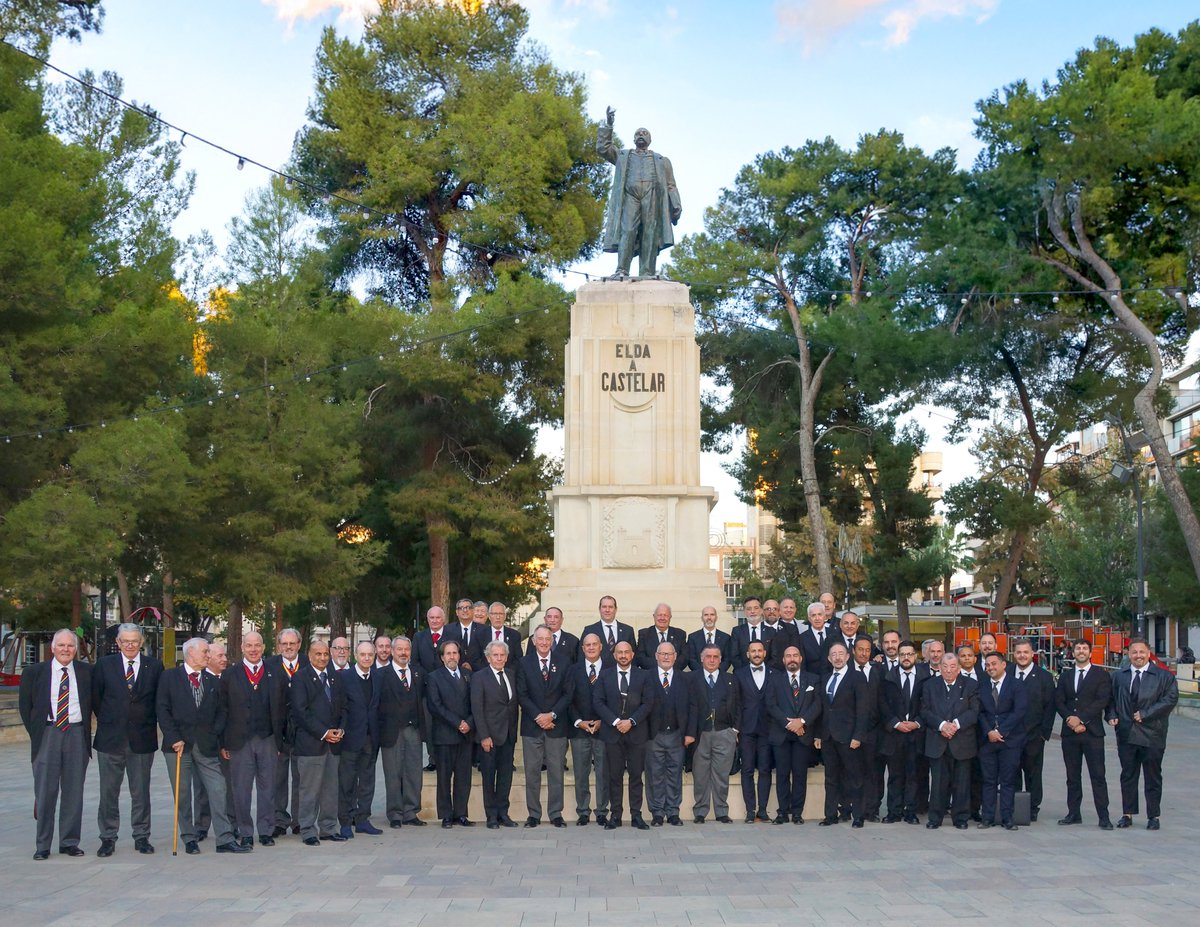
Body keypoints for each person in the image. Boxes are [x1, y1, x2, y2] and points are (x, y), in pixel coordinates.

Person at [157, 637, 246, 854]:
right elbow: (162, 709)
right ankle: (189, 837)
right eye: (205, 651)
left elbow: (222, 711)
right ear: (190, 653)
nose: (209, 655)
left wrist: (214, 732)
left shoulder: (213, 681)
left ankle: (224, 838)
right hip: (178, 746)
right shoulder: (170, 677)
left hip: (206, 745)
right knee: (183, 793)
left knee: (218, 788)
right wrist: (173, 737)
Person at [19, 628, 93, 860]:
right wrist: (39, 733)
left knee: (74, 791)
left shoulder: (86, 672)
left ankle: (69, 842)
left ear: (76, 649)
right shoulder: (34, 672)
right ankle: (43, 845)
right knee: (45, 792)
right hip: (48, 733)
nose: (65, 649)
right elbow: (25, 708)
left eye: (70, 645)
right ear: (52, 648)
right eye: (61, 645)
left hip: (76, 733)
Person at [92, 622, 162, 857]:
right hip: (110, 739)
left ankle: (142, 836)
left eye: (135, 641)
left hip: (141, 739)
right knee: (108, 792)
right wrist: (112, 721)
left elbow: (158, 701)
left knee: (141, 791)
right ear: (118, 643)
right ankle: (108, 837)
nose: (130, 645)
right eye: (126, 641)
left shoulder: (155, 666)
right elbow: (97, 699)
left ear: (141, 643)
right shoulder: (104, 666)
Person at [596, 106, 681, 277]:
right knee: (627, 230)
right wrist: (609, 125)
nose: (641, 134)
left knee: (650, 232)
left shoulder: (662, 161)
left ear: (650, 139)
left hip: (652, 196)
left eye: (644, 133)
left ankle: (647, 271)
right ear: (634, 138)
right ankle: (621, 270)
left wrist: (676, 204)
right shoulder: (622, 156)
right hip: (630, 196)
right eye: (638, 133)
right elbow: (603, 149)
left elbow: (671, 184)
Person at [221, 630, 286, 848]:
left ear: (264, 647)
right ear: (242, 648)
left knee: (268, 787)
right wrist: (224, 742)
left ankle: (266, 830)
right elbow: (222, 710)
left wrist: (280, 740)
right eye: (249, 646)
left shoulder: (275, 673)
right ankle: (245, 831)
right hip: (239, 741)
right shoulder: (230, 674)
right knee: (241, 789)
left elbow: (282, 709)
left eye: (257, 645)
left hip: (267, 738)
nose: (253, 649)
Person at [1111, 639, 1179, 830]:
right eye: (1134, 652)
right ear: (1128, 654)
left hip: (1153, 734)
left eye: (1142, 652)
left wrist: (1146, 714)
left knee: (1153, 776)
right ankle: (1127, 813)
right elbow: (1110, 699)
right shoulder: (1119, 676)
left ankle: (1153, 816)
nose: (1138, 656)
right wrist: (1111, 715)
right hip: (1126, 734)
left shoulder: (1164, 677)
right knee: (1128, 775)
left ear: (1148, 653)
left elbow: (1170, 699)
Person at [291, 640, 347, 846]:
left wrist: (341, 729)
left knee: (330, 790)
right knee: (309, 790)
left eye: (325, 654)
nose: (323, 658)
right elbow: (300, 712)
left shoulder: (335, 677)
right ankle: (307, 829)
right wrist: (324, 733)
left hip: (334, 744)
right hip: (311, 744)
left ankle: (328, 828)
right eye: (318, 654)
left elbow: (344, 707)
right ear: (309, 654)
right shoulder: (300, 678)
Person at [1055, 639, 1114, 829]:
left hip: (1092, 733)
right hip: (1070, 733)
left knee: (1098, 775)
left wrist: (1080, 719)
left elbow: (1102, 700)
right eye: (1078, 648)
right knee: (1072, 776)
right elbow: (1059, 701)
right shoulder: (1065, 676)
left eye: (1084, 648)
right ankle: (1074, 813)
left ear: (1090, 652)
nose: (1081, 651)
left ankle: (1103, 817)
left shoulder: (1101, 675)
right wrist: (1070, 720)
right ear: (1073, 652)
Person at [595, 640, 654, 829]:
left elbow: (648, 703)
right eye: (619, 652)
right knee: (614, 776)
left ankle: (636, 815)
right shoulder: (604, 676)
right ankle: (616, 816)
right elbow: (598, 702)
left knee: (636, 776)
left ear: (632, 654)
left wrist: (631, 721)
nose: (623, 655)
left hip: (636, 733)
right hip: (612, 734)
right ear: (614, 655)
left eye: (626, 652)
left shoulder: (643, 676)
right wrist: (615, 722)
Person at [518, 625, 572, 827]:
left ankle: (555, 813)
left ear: (552, 641)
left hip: (556, 727)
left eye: (547, 639)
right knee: (532, 773)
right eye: (539, 639)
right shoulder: (524, 663)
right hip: (532, 728)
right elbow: (522, 694)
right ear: (533, 641)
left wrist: (552, 715)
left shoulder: (564, 662)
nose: (543, 642)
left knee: (556, 772)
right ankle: (533, 814)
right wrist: (538, 716)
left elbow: (568, 694)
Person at [920, 652, 979, 830]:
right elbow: (925, 710)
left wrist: (956, 725)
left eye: (953, 667)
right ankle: (935, 817)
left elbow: (974, 711)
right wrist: (942, 725)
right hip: (938, 740)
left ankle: (961, 817)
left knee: (962, 783)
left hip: (962, 741)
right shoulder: (930, 685)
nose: (949, 670)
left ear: (959, 668)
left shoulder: (971, 685)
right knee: (938, 782)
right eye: (945, 667)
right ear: (940, 668)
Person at [766, 645, 821, 825]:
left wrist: (802, 721)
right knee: (782, 775)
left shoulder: (813, 679)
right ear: (783, 660)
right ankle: (782, 812)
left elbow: (817, 706)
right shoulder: (774, 679)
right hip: (781, 734)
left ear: (800, 658)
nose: (792, 659)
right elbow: (771, 705)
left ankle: (797, 812)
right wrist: (789, 723)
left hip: (803, 734)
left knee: (800, 775)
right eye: (788, 656)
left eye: (795, 655)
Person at [376, 635, 427, 829]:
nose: (403, 653)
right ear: (392, 651)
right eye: (400, 649)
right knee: (393, 774)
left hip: (413, 730)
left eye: (407, 650)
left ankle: (411, 812)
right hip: (391, 732)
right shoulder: (382, 674)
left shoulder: (417, 673)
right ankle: (395, 813)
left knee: (413, 772)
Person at [816, 642, 869, 827]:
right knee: (831, 778)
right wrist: (818, 735)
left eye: (841, 654)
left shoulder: (857, 677)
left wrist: (858, 736)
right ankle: (831, 815)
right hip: (828, 737)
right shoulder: (825, 678)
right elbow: (822, 709)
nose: (837, 657)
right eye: (834, 654)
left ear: (848, 657)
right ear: (829, 658)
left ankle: (858, 816)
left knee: (854, 778)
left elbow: (863, 710)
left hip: (849, 738)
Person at [645, 642, 696, 826]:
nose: (666, 657)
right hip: (653, 735)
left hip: (677, 734)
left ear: (675, 656)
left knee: (675, 774)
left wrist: (690, 733)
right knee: (654, 774)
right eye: (662, 654)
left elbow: (693, 707)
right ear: (656, 656)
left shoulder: (686, 679)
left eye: (669, 654)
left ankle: (673, 812)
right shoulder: (646, 677)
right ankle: (657, 812)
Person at [690, 643, 740, 824]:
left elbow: (739, 706)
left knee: (721, 774)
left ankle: (721, 811)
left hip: (724, 732)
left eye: (716, 657)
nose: (712, 660)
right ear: (701, 659)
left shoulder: (731, 679)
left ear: (721, 660)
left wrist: (735, 730)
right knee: (700, 774)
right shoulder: (692, 678)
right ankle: (700, 811)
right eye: (708, 657)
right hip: (700, 733)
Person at [426, 640, 474, 827]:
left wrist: (468, 723)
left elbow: (476, 703)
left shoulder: (469, 675)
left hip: (466, 734)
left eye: (455, 653)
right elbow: (435, 706)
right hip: (445, 734)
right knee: (444, 777)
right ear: (442, 657)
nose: (452, 656)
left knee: (463, 777)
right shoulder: (434, 677)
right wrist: (457, 723)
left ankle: (461, 814)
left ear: (459, 655)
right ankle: (446, 815)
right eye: (448, 653)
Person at [472, 640, 519, 829]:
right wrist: (484, 735)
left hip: (508, 735)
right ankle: (491, 815)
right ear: (488, 657)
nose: (499, 658)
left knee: (505, 776)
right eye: (495, 655)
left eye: (502, 655)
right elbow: (477, 708)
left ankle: (503, 813)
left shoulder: (511, 674)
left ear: (506, 657)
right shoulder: (479, 677)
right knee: (489, 777)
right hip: (489, 737)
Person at [977, 652, 1027, 830]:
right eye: (988, 665)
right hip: (988, 741)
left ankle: (1007, 817)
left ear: (1003, 664)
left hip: (1010, 740)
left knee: (1007, 780)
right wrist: (989, 731)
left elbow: (1019, 711)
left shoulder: (1017, 685)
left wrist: (1001, 731)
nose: (990, 668)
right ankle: (987, 817)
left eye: (994, 664)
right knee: (988, 780)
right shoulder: (981, 686)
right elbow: (980, 712)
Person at [337, 641, 381, 838]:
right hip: (350, 738)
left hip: (371, 738)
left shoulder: (378, 677)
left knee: (367, 781)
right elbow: (340, 707)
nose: (366, 658)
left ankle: (362, 819)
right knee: (346, 782)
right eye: (362, 654)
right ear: (355, 655)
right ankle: (345, 821)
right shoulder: (344, 677)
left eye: (370, 655)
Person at [567, 633, 610, 826]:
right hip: (579, 730)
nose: (591, 648)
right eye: (587, 645)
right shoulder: (573, 670)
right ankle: (583, 811)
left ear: (601, 646)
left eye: (594, 644)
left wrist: (603, 720)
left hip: (605, 730)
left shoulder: (611, 669)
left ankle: (602, 811)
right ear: (582, 648)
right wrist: (579, 721)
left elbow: (615, 700)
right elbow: (568, 699)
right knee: (581, 772)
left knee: (603, 772)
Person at [266, 627, 306, 837]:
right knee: (277, 778)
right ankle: (279, 820)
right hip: (277, 733)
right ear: (279, 646)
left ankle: (300, 820)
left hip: (303, 732)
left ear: (299, 644)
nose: (288, 647)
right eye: (284, 644)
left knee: (301, 778)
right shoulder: (269, 665)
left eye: (292, 643)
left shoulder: (308, 664)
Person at [1011, 638, 1056, 822]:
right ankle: (1013, 805)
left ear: (1032, 654)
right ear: (1013, 654)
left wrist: (1044, 733)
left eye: (1026, 652)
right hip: (1011, 735)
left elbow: (1050, 706)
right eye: (1019, 652)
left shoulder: (1044, 677)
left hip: (1034, 735)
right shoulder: (1006, 673)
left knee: (1033, 774)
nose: (1022, 656)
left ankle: (1032, 807)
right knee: (1011, 772)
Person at [880, 640, 924, 824]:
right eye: (903, 654)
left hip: (915, 734)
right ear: (898, 656)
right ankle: (893, 811)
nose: (906, 658)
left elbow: (928, 704)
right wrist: (896, 723)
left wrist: (917, 723)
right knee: (895, 775)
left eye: (909, 654)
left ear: (915, 656)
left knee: (913, 775)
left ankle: (910, 811)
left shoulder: (925, 677)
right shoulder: (888, 678)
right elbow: (881, 704)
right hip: (895, 734)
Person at [734, 640, 774, 823]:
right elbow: (736, 704)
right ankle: (750, 810)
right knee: (747, 770)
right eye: (753, 651)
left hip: (768, 729)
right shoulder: (738, 674)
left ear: (764, 653)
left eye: (759, 650)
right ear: (747, 654)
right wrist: (736, 728)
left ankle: (763, 809)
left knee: (765, 770)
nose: (756, 654)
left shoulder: (775, 674)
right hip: (746, 730)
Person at [851, 637, 887, 822]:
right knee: (855, 771)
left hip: (874, 730)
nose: (864, 653)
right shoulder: (846, 671)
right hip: (852, 731)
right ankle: (854, 808)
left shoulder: (878, 671)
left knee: (874, 772)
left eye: (867, 650)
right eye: (860, 649)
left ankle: (871, 809)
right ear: (853, 651)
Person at [412, 605, 448, 771]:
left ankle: (447, 759)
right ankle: (433, 759)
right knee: (429, 725)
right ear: (427, 620)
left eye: (437, 617)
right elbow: (415, 662)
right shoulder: (419, 637)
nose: (434, 621)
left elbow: (456, 660)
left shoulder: (452, 636)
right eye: (431, 618)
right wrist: (429, 679)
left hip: (448, 690)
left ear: (444, 619)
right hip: (426, 689)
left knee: (446, 725)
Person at [582, 594, 636, 664]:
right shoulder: (589, 630)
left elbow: (634, 657)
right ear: (599, 609)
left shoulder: (628, 630)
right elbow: (582, 656)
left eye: (610, 607)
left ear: (616, 609)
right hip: (599, 673)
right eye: (604, 607)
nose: (607, 610)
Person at [636, 602, 689, 671]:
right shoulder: (644, 634)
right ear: (654, 616)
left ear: (670, 617)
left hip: (674, 676)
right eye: (659, 615)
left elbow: (684, 657)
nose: (662, 618)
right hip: (650, 676)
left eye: (665, 615)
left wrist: (669, 669)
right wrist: (660, 669)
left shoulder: (679, 634)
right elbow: (641, 657)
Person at [730, 597, 774, 670]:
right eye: (749, 609)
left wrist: (765, 671)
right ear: (744, 612)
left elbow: (774, 656)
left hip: (767, 675)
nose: (752, 611)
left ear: (761, 610)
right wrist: (746, 673)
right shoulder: (737, 631)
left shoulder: (771, 631)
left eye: (756, 608)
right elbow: (734, 656)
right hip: (742, 676)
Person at [686, 605, 732, 673]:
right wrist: (703, 673)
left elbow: (727, 659)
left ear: (716, 618)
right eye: (706, 615)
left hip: (719, 677)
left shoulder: (725, 638)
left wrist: (716, 673)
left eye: (712, 615)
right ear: (702, 618)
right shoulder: (693, 637)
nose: (709, 617)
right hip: (698, 677)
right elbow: (691, 660)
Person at [444, 598, 483, 673]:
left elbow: (487, 654)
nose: (465, 610)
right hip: (454, 672)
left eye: (468, 607)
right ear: (457, 612)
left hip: (478, 673)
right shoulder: (448, 629)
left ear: (473, 611)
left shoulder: (483, 630)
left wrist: (472, 666)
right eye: (461, 608)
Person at [796, 602, 830, 671]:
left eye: (820, 614)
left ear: (825, 616)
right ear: (809, 618)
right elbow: (802, 665)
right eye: (813, 615)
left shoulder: (834, 634)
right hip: (811, 679)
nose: (817, 618)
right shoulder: (802, 638)